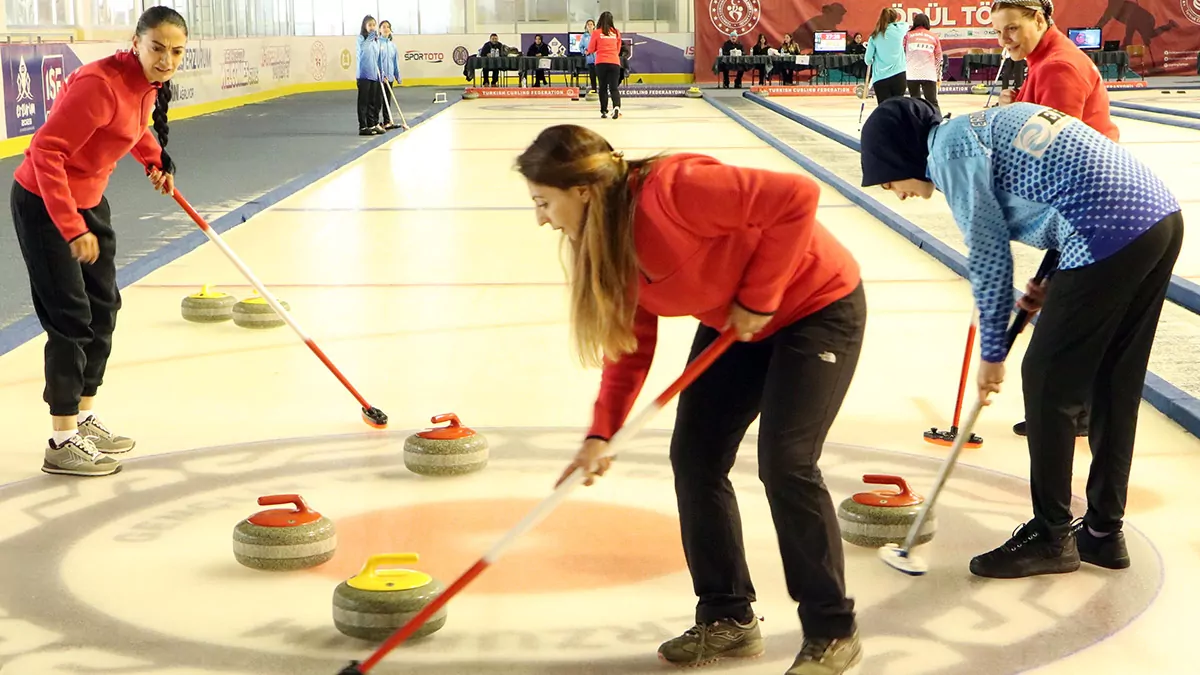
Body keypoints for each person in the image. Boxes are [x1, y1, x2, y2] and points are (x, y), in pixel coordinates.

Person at [517, 125, 866, 674]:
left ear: (581, 190)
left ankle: (831, 629)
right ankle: (727, 617)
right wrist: (601, 433)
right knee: (696, 456)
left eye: (543, 201)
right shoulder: (604, 239)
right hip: (738, 324)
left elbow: (796, 197)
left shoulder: (673, 190)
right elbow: (628, 346)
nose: (540, 218)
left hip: (815, 307)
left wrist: (759, 296)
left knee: (786, 462)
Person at [859, 98, 1182, 579]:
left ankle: (1052, 537)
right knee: (1112, 380)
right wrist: (1052, 279)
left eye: (885, 176)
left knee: (1046, 380)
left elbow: (989, 258)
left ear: (899, 153)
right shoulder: (976, 126)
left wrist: (992, 355)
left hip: (1106, 226)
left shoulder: (948, 151)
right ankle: (1101, 534)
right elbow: (1060, 181)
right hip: (1156, 218)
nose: (891, 189)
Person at [10, 6, 188, 477]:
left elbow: (131, 129)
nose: (167, 59)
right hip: (46, 203)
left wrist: (154, 161)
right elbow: (46, 151)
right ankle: (61, 438)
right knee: (70, 317)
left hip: (88, 200)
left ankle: (84, 415)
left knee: (104, 305)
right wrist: (72, 227)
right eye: (157, 48)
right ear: (136, 42)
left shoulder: (145, 85)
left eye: (176, 51)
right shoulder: (100, 85)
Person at [992, 0, 1118, 437]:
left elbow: (1060, 149)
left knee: (1066, 325)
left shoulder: (1057, 66)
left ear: (1040, 20)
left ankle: (1069, 415)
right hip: (1082, 204)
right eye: (999, 31)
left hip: (1090, 206)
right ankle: (1072, 411)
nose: (1004, 38)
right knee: (1062, 312)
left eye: (1012, 28)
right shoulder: (1042, 61)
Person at [864, 7, 908, 102]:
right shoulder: (900, 30)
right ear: (895, 18)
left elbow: (868, 60)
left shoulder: (874, 36)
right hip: (899, 75)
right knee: (899, 106)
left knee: (884, 108)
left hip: (881, 78)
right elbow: (906, 25)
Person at [904, 13, 943, 115]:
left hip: (912, 74)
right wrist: (939, 76)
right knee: (932, 102)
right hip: (929, 74)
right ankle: (938, 123)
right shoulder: (934, 37)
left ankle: (916, 124)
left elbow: (901, 52)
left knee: (915, 102)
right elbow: (939, 58)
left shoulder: (907, 35)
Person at [587, 11, 623, 118]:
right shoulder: (616, 32)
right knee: (614, 88)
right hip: (614, 62)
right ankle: (616, 107)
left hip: (601, 62)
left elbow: (591, 49)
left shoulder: (596, 32)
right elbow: (618, 49)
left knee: (602, 87)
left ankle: (604, 111)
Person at [355, 15, 384, 135]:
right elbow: (364, 52)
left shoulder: (376, 40)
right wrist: (369, 40)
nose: (372, 27)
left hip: (374, 74)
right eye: (369, 25)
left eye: (373, 25)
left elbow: (378, 57)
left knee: (373, 101)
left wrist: (381, 73)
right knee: (364, 101)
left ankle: (371, 124)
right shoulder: (361, 39)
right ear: (365, 26)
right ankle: (363, 126)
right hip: (364, 74)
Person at [377, 20, 402, 130]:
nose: (386, 29)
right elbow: (377, 61)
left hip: (389, 76)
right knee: (378, 100)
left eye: (388, 27)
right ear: (379, 30)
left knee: (388, 98)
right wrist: (381, 74)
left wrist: (397, 75)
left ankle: (387, 121)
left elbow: (395, 61)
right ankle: (375, 123)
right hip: (379, 78)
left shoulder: (393, 46)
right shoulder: (377, 43)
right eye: (383, 27)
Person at [579, 19, 597, 93]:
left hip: (598, 58)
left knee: (600, 75)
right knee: (592, 75)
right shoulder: (584, 36)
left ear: (594, 26)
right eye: (588, 24)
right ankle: (594, 89)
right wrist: (584, 51)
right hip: (589, 58)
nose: (589, 26)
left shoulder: (597, 34)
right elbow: (581, 46)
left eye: (591, 24)